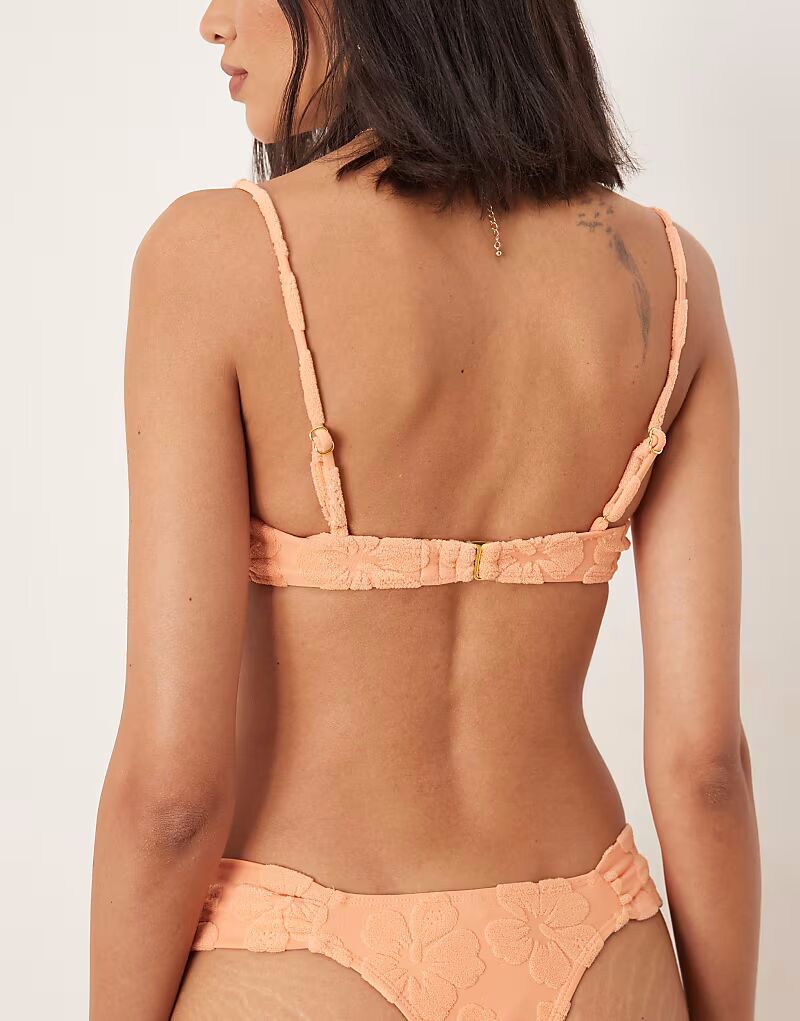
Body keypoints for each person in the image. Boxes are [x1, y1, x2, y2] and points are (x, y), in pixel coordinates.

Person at [89, 2, 761, 1019]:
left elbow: (170, 795)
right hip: (596, 950)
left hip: (300, 964)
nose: (211, 21)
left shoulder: (216, 257)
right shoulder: (671, 280)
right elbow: (704, 767)